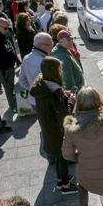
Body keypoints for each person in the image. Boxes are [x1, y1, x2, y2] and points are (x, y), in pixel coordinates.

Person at [30, 57, 78, 194]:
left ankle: (60, 178)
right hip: (57, 133)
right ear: (54, 71)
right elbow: (65, 117)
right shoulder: (54, 92)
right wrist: (71, 99)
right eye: (59, 69)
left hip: (49, 130)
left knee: (58, 157)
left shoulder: (41, 84)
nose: (61, 71)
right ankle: (64, 185)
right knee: (62, 158)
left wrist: (64, 96)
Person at [0, 17, 19, 113]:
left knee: (11, 87)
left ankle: (14, 103)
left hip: (9, 66)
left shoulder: (2, 35)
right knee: (8, 88)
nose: (7, 30)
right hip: (3, 68)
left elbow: (9, 47)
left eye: (8, 28)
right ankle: (13, 106)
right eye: (5, 28)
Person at [19, 32, 54, 107]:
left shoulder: (26, 58)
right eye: (50, 44)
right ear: (41, 46)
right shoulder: (46, 62)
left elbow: (22, 81)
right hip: (48, 102)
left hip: (34, 101)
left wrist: (34, 89)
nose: (52, 46)